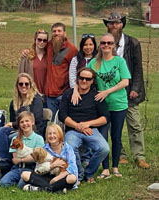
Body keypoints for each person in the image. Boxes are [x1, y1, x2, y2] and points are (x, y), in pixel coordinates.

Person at [74, 33, 131, 178]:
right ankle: (105, 168)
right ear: (100, 45)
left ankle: (115, 166)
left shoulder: (119, 61)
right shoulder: (94, 63)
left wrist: (107, 91)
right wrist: (75, 90)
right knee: (103, 136)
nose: (106, 45)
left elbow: (125, 82)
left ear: (114, 46)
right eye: (103, 43)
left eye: (109, 43)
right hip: (101, 107)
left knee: (116, 136)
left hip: (119, 104)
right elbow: (82, 77)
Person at [103, 12, 150, 169]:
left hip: (129, 92)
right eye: (111, 23)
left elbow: (138, 68)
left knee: (134, 124)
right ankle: (121, 155)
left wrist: (135, 87)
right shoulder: (104, 44)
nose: (114, 26)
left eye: (117, 23)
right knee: (115, 126)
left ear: (122, 24)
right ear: (107, 26)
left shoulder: (133, 43)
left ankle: (139, 156)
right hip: (111, 92)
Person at [59, 67, 110, 183]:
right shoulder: (68, 94)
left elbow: (105, 118)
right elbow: (62, 115)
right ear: (77, 79)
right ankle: (79, 174)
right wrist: (77, 126)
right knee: (70, 147)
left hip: (91, 130)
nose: (84, 81)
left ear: (92, 81)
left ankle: (89, 173)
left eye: (88, 79)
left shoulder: (96, 96)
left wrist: (87, 124)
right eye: (81, 78)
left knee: (104, 149)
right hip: (72, 130)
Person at [0, 73, 44, 172]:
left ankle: (12, 165)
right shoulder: (14, 102)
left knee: (13, 138)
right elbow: (12, 119)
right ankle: (3, 160)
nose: (24, 86)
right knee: (0, 131)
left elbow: (35, 119)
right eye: (21, 84)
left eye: (26, 84)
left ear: (30, 85)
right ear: (17, 86)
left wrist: (13, 124)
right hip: (18, 129)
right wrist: (13, 125)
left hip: (33, 129)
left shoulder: (36, 99)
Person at [21, 124, 77, 192]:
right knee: (24, 174)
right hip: (46, 177)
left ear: (60, 135)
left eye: (54, 133)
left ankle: (39, 189)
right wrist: (52, 165)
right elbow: (38, 170)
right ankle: (56, 189)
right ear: (46, 136)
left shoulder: (68, 149)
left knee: (72, 178)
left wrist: (56, 179)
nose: (52, 136)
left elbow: (73, 167)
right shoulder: (43, 149)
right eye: (49, 134)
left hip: (62, 177)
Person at [0, 111, 44, 188]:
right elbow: (15, 158)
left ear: (32, 122)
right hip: (17, 168)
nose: (25, 124)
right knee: (3, 183)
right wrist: (23, 158)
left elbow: (35, 157)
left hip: (31, 168)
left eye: (27, 121)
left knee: (21, 185)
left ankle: (27, 183)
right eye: (21, 122)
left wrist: (21, 160)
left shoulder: (38, 139)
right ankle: (19, 183)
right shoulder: (15, 139)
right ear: (19, 125)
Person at [18, 29, 49, 95]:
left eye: (44, 40)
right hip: (31, 93)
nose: (42, 42)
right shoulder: (27, 56)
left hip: (46, 94)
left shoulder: (50, 56)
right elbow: (21, 76)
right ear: (35, 40)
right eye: (39, 39)